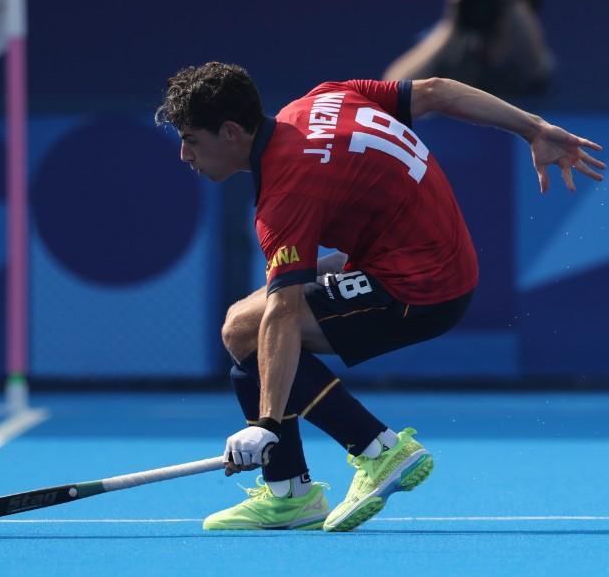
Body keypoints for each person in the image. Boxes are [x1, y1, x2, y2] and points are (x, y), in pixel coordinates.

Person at [155, 63, 603, 532]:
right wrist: (534, 128)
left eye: (192, 139)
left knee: (251, 330)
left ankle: (379, 450)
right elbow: (436, 91)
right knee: (246, 326)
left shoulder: (285, 195)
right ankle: (289, 493)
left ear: (230, 131)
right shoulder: (322, 98)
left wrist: (265, 424)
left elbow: (284, 315)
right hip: (431, 254)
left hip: (420, 285)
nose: (185, 154)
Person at [383, 0, 553, 96]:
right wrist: (452, 22)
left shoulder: (525, 53)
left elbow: (536, 66)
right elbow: (394, 89)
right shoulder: (453, 46)